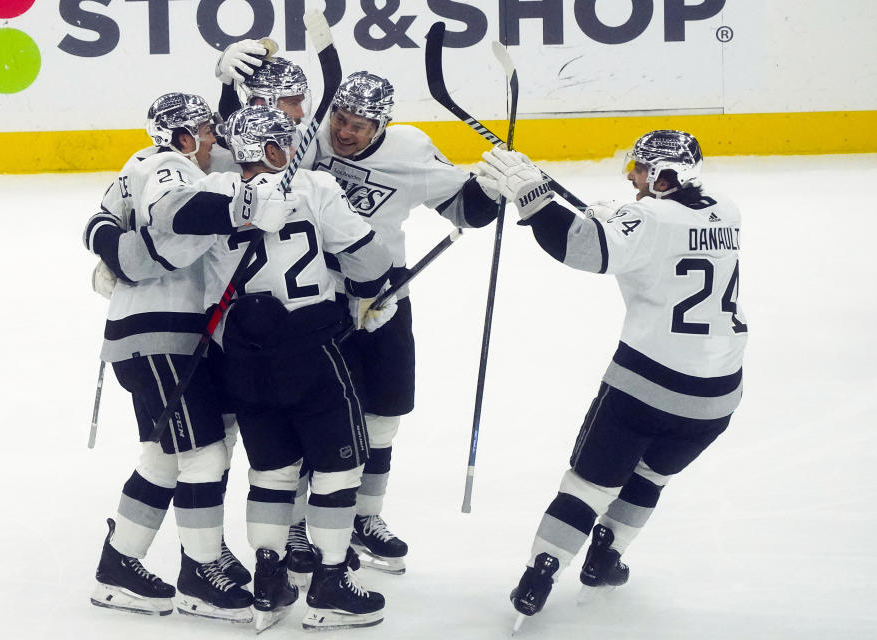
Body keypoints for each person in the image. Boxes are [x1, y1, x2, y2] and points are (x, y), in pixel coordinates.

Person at [476, 130, 748, 629]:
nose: (631, 176)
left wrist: (534, 198)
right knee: (650, 476)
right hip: (716, 397)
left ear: (666, 175)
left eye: (641, 169)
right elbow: (655, 238)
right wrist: (619, 221)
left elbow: (584, 251)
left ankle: (540, 575)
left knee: (588, 485)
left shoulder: (646, 218)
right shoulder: (727, 210)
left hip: (646, 385)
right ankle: (605, 557)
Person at [146, 104, 397, 631]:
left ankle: (268, 577)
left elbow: (168, 222)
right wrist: (371, 297)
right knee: (337, 468)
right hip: (311, 348)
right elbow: (369, 258)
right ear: (277, 149)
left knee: (272, 472)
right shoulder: (314, 186)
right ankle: (329, 583)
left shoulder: (217, 193)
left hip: (241, 358)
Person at [300, 70, 500, 574]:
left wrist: (494, 187)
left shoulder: (411, 152)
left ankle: (366, 516)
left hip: (385, 296)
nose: (343, 133)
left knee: (384, 414)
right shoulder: (309, 141)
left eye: (359, 126)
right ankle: (303, 524)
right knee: (319, 414)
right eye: (340, 120)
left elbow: (464, 210)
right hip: (318, 298)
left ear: (382, 125)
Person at [83, 92, 256, 621]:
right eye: (206, 130)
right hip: (160, 332)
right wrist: (131, 256)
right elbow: (173, 213)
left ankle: (119, 563)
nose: (214, 138)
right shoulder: (168, 165)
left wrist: (116, 250)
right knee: (204, 453)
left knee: (165, 456)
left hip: (163, 333)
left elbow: (95, 223)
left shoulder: (144, 161)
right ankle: (201, 573)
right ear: (182, 137)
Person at [214, 42, 323, 584]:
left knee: (293, 437)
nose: (302, 113)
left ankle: (291, 534)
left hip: (301, 316)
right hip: (227, 327)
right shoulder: (224, 151)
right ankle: (213, 551)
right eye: (294, 101)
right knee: (222, 444)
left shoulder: (303, 146)